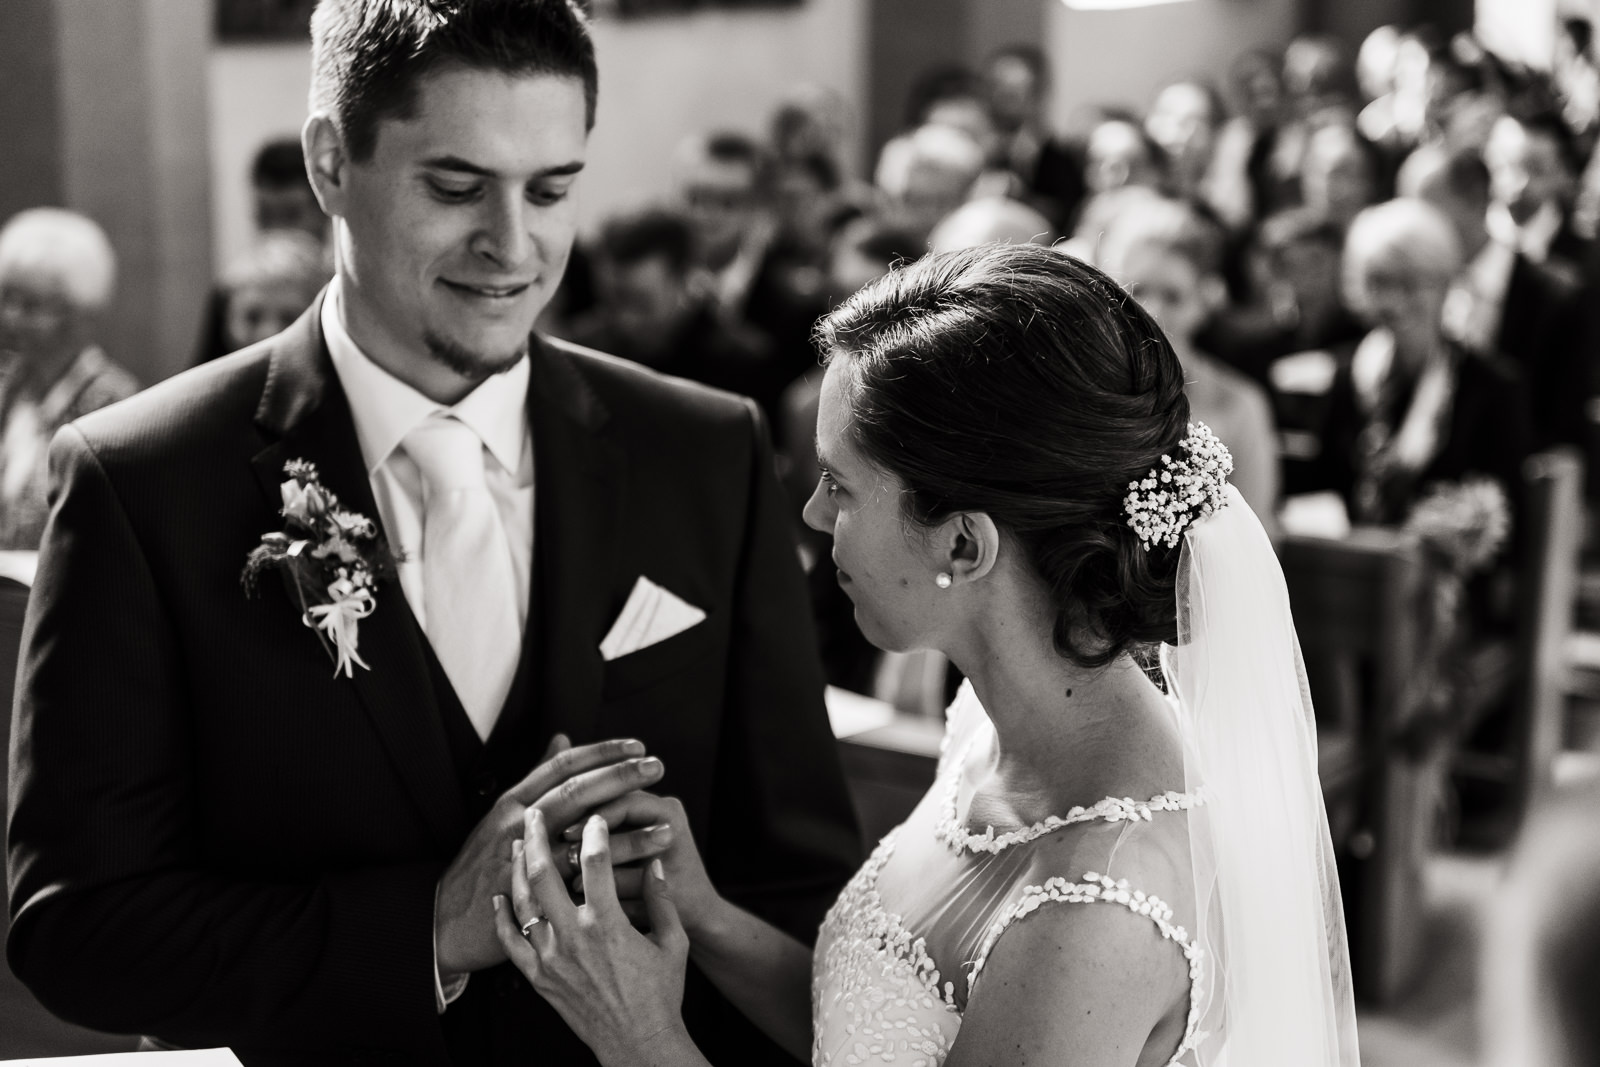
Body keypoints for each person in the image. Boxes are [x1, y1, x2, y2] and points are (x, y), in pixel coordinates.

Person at [5, 2, 860, 1064]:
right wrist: (427, 928)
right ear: (330, 164)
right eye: (455, 187)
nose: (513, 247)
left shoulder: (699, 449)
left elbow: (801, 879)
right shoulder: (142, 481)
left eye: (551, 190)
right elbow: (77, 928)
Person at [490, 243, 1360, 1066]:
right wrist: (703, 911)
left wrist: (636, 1034)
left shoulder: (1090, 919)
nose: (814, 516)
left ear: (962, 547)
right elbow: (879, 1028)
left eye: (841, 486)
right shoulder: (994, 714)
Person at [1311, 198, 1531, 526]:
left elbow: (1508, 520)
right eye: (1380, 281)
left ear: (1445, 285)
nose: (1395, 300)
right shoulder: (1348, 374)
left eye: (1413, 283)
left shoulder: (1492, 388)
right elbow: (1322, 486)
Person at [1097, 197, 1281, 531]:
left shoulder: (1240, 405)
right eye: (1136, 291)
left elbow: (1259, 537)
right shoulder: (1082, 390)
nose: (1152, 312)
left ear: (1204, 300)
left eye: (1172, 296)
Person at [0, 207, 139, 550]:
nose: (11, 318)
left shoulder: (115, 404)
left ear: (81, 313)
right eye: (7, 299)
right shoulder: (7, 387)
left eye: (32, 306)